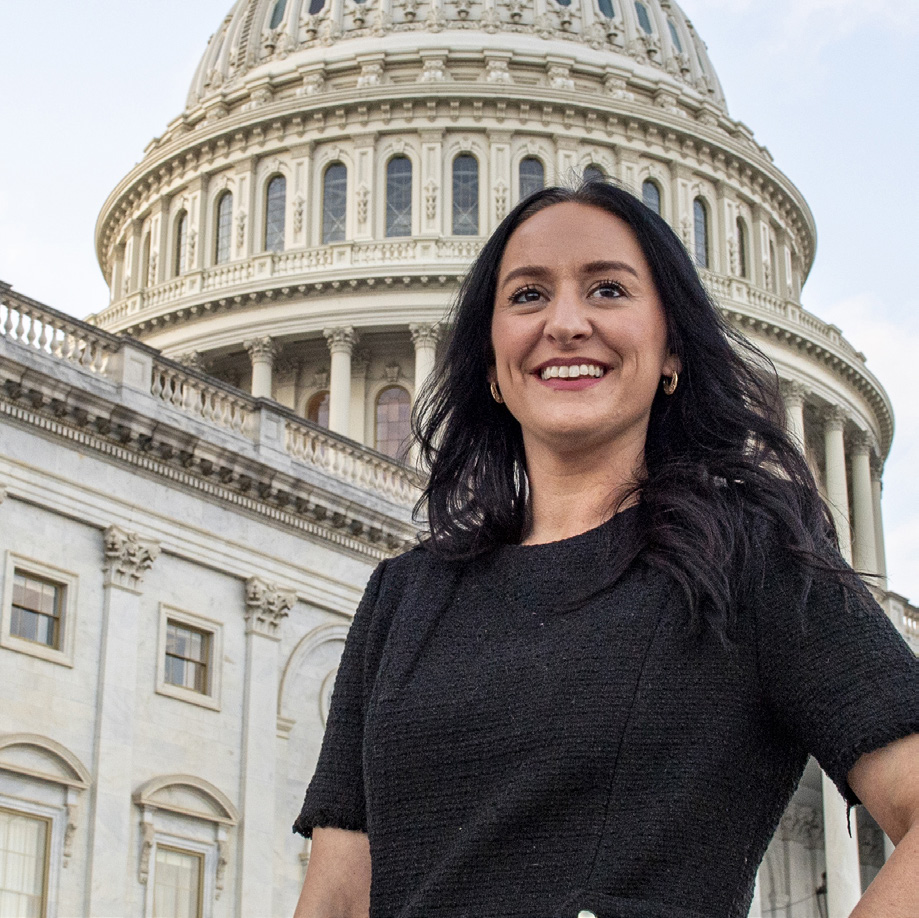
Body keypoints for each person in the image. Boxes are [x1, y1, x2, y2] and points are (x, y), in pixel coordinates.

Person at [292, 182, 919, 918]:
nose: (564, 323)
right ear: (491, 365)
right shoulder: (405, 594)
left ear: (670, 351)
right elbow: (336, 894)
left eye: (607, 290)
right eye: (526, 296)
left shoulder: (750, 554)